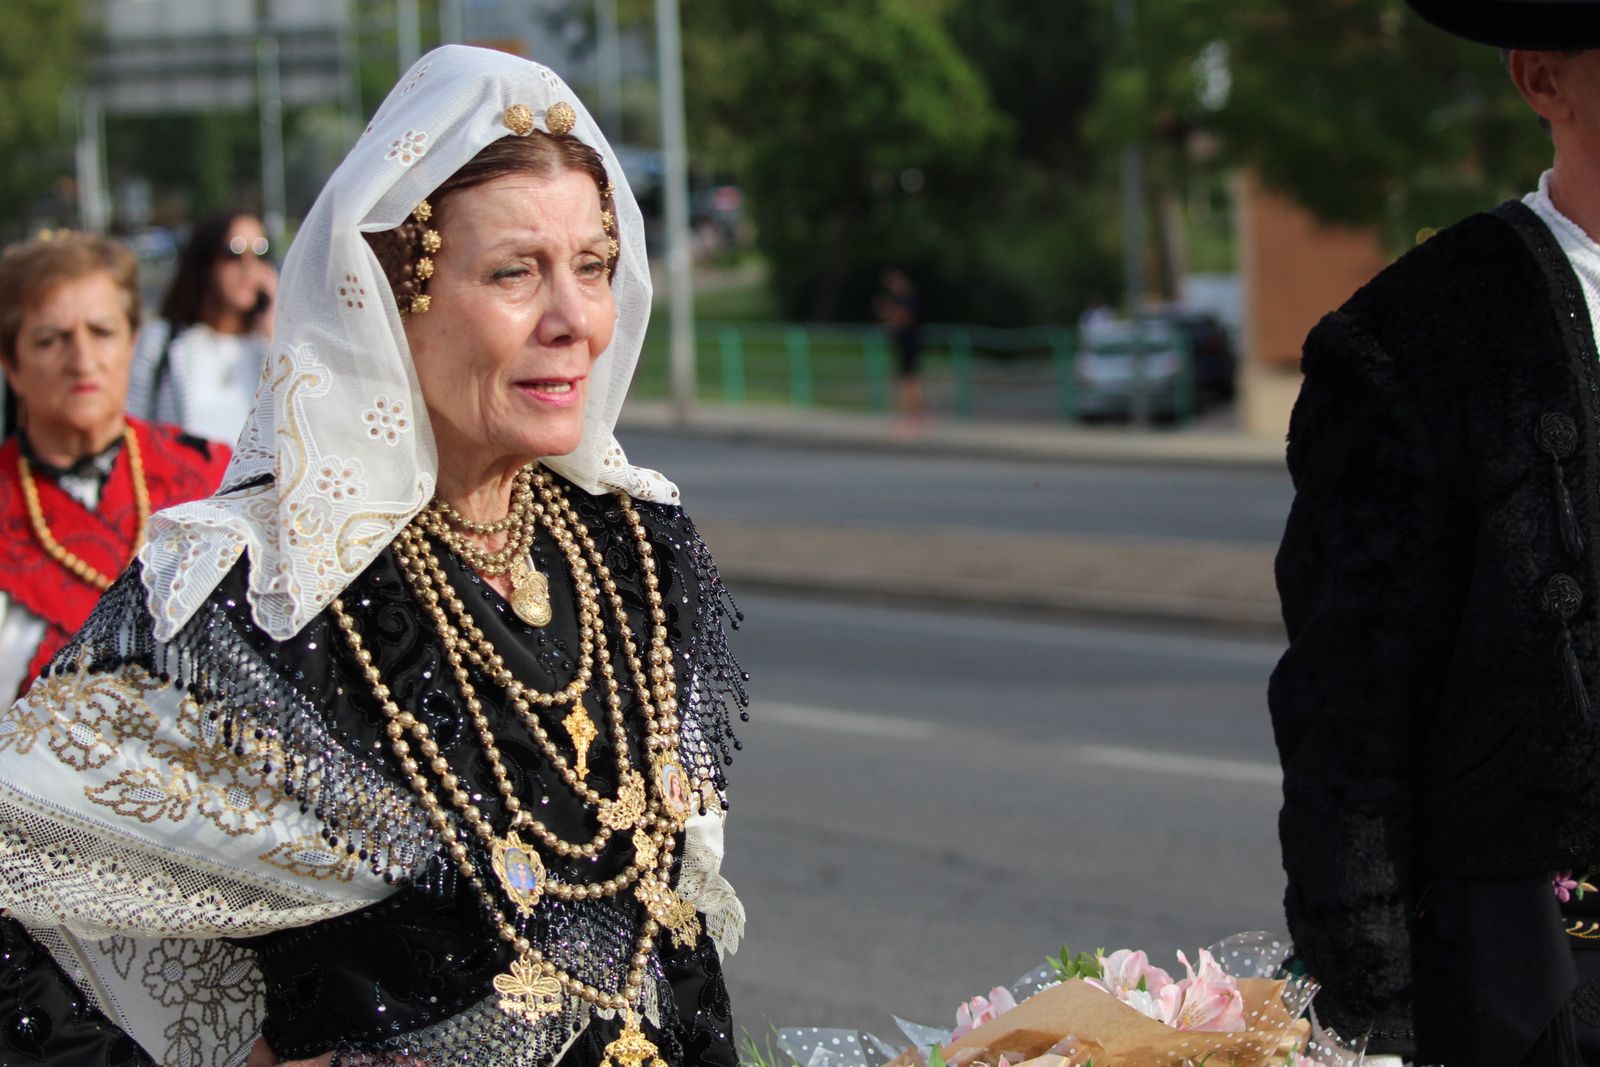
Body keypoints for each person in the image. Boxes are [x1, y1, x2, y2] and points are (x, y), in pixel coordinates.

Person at [0, 46, 747, 1067]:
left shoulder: (636, 544)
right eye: (515, 272)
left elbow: (676, 940)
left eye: (593, 265)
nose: (574, 319)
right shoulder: (266, 586)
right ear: (390, 299)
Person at [1271, 5, 1600, 1064]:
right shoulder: (1414, 341)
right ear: (1540, 79)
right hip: (1535, 980)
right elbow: (1348, 735)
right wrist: (1366, 1021)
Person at [0, 231, 232, 702]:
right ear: (11, 364)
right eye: (51, 340)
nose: (82, 361)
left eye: (102, 332)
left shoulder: (215, 475)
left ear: (132, 342)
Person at [126, 212, 277, 444]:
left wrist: (275, 331)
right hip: (178, 477)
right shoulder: (162, 340)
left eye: (260, 252)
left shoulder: (269, 347)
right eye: (234, 252)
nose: (249, 266)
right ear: (206, 262)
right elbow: (132, 425)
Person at [875, 267, 927, 436]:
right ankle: (913, 417)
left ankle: (910, 418)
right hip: (906, 344)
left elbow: (903, 318)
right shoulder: (904, 298)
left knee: (908, 382)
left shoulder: (907, 298)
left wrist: (887, 310)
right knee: (908, 381)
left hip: (909, 344)